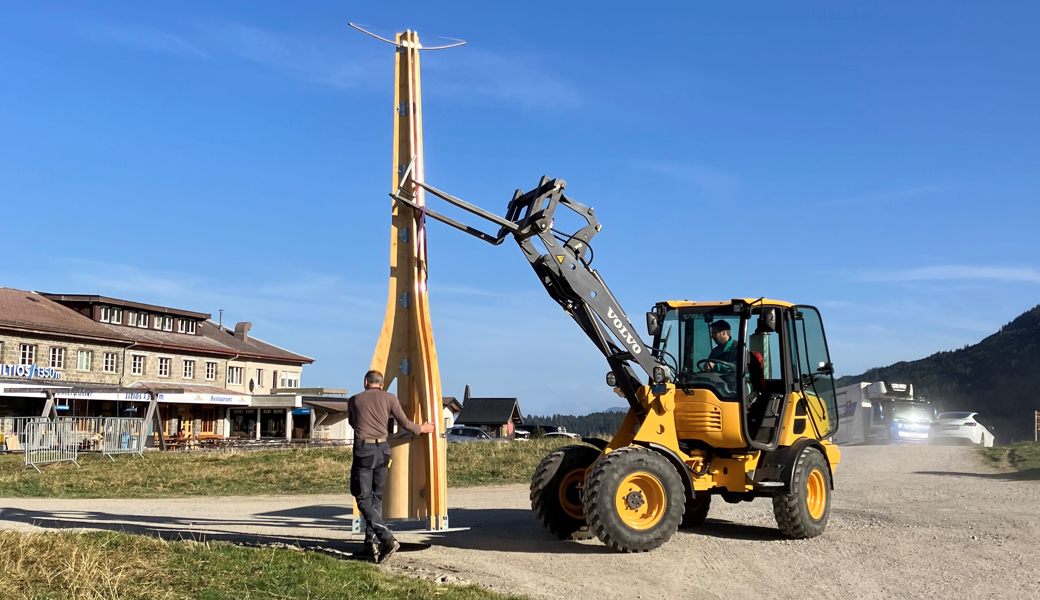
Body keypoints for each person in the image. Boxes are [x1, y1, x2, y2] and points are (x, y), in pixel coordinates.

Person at [348, 369, 435, 563]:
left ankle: (386, 538)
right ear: (381, 384)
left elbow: (353, 423)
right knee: (376, 498)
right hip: (384, 450)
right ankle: (370, 544)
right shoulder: (390, 398)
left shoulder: (354, 400)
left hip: (364, 450)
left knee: (362, 498)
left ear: (365, 382)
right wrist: (422, 428)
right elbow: (405, 423)